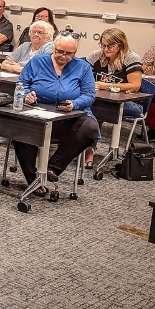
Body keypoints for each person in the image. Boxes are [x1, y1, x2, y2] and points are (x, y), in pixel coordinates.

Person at [13, 31, 99, 194]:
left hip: (69, 117)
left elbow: (89, 95)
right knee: (21, 129)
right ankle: (33, 180)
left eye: (69, 54)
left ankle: (52, 169)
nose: (64, 56)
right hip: (38, 113)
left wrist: (74, 104)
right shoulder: (37, 61)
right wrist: (26, 96)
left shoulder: (83, 67)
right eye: (60, 52)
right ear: (53, 47)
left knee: (90, 128)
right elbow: (22, 84)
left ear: (75, 52)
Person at [85, 28, 143, 167]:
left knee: (96, 109)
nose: (106, 49)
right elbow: (83, 78)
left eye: (110, 46)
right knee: (94, 108)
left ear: (121, 45)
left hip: (130, 104)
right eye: (103, 45)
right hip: (103, 100)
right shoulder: (95, 56)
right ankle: (89, 149)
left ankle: (90, 150)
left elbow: (135, 85)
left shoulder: (131, 58)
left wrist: (107, 85)